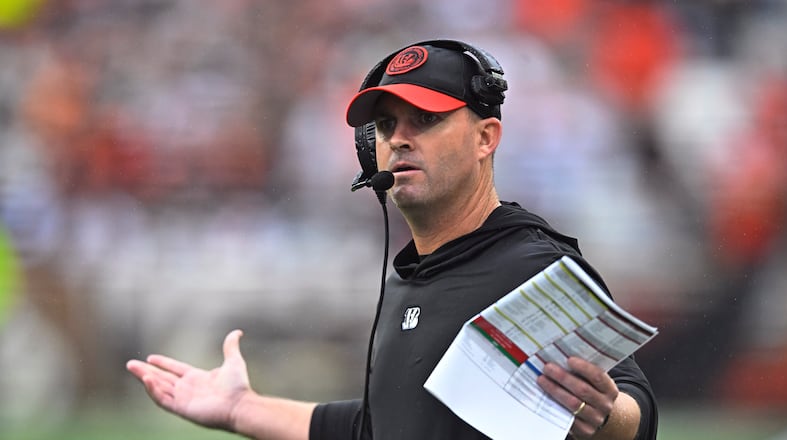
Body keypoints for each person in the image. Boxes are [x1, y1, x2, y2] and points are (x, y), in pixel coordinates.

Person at [127, 40, 658, 440]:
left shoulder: (530, 263)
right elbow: (384, 425)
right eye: (385, 125)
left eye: (425, 119)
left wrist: (608, 416)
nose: (398, 138)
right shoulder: (408, 276)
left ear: (484, 138)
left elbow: (637, 410)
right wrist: (242, 409)